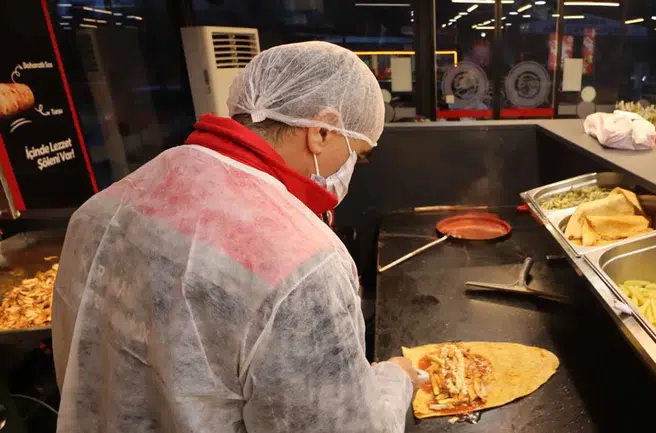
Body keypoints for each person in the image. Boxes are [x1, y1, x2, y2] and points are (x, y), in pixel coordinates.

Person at [52, 41, 420, 433]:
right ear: (322, 131)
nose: (350, 169)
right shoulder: (306, 264)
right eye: (355, 154)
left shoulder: (102, 208)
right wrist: (395, 380)